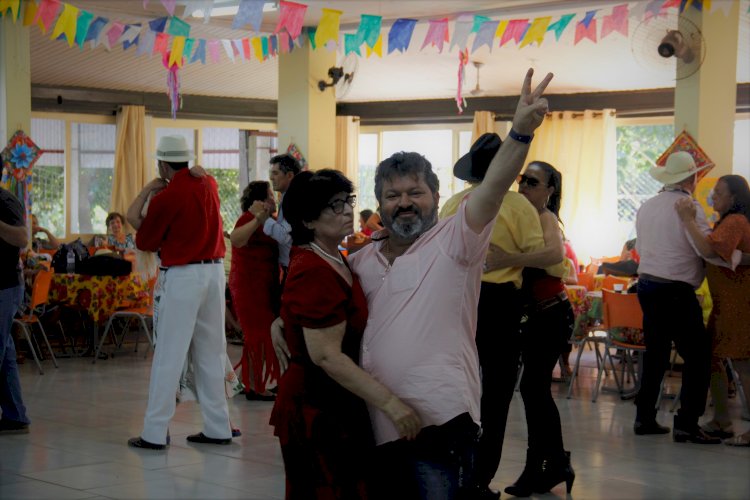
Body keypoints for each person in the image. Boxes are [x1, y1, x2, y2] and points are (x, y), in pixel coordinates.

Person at [345, 69, 551, 499]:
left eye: (415, 192)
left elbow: (493, 187)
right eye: (392, 195)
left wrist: (519, 133)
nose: (404, 202)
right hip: (376, 419)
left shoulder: (455, 241)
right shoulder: (362, 259)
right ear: (379, 204)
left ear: (436, 197)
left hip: (441, 421)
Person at [270, 169, 421, 499]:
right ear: (308, 220)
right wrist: (389, 403)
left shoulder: (332, 256)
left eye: (348, 201)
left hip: (334, 397)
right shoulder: (313, 268)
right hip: (318, 402)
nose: (347, 211)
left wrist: (282, 321)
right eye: (334, 206)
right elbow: (326, 355)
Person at [439, 134, 568, 500]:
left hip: (458, 299)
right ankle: (479, 478)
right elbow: (553, 261)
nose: (523, 182)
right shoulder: (518, 208)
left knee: (458, 387)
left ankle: (458, 471)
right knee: (495, 395)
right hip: (499, 305)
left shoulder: (453, 203)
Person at [126, 135, 232, 450]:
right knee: (211, 353)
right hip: (214, 273)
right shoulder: (208, 183)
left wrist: (149, 189)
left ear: (162, 164)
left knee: (168, 354)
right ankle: (218, 427)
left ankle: (154, 432)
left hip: (184, 276)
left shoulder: (168, 196)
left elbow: (144, 241)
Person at [487, 161, 575, 497]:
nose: (523, 187)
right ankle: (551, 463)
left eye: (532, 182)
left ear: (549, 191)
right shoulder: (523, 217)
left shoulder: (545, 217)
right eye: (522, 180)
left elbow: (554, 253)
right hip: (540, 316)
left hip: (552, 314)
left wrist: (506, 258)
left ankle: (545, 464)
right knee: (533, 391)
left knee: (533, 389)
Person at [633, 151, 720, 444]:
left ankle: (644, 417)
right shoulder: (689, 208)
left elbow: (641, 249)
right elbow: (705, 249)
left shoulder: (647, 206)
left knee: (655, 355)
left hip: (647, 285)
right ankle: (686, 423)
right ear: (693, 178)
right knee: (698, 357)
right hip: (676, 290)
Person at [675, 174, 750, 447]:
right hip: (724, 304)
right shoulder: (726, 221)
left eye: (719, 193)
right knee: (713, 359)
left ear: (734, 198)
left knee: (743, 364)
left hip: (740, 304)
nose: (713, 196)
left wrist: (687, 219)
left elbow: (710, 250)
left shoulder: (736, 221)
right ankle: (721, 420)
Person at [229, 181, 280, 401]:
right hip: (249, 286)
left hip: (264, 285)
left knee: (256, 335)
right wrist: (258, 218)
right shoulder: (248, 219)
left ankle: (249, 381)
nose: (272, 198)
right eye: (268, 195)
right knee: (259, 334)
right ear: (257, 200)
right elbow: (236, 240)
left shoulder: (272, 221)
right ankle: (255, 386)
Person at [0, 187, 31, 435]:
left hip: (5, 286)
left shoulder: (6, 201)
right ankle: (15, 416)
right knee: (6, 351)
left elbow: (22, 238)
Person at [263, 154, 301, 280]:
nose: (271, 177)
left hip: (295, 267)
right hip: (290, 266)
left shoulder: (294, 199)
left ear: (289, 175)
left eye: (275, 173)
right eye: (271, 173)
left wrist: (262, 217)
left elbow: (284, 236)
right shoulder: (286, 197)